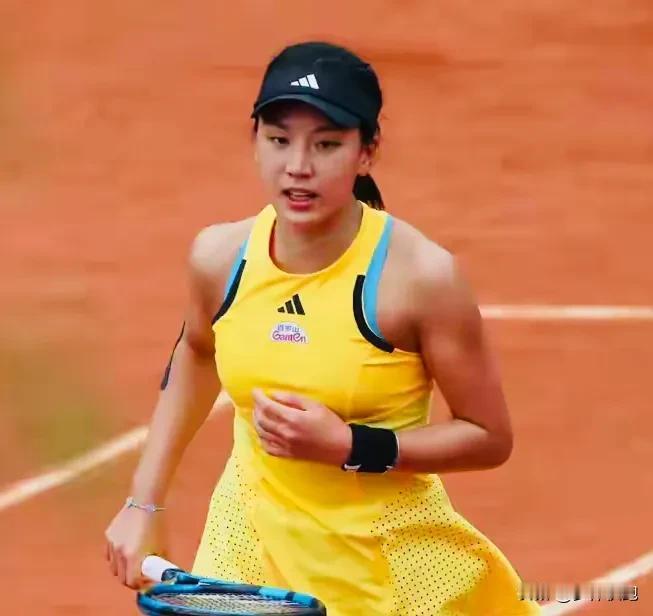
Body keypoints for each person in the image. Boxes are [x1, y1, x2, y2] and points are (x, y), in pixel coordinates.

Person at [105, 41, 540, 615]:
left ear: (367, 152)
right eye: (279, 140)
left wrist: (351, 446)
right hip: (245, 556)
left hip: (379, 572)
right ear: (255, 139)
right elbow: (198, 351)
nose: (298, 166)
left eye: (327, 144)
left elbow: (488, 436)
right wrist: (143, 504)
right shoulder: (220, 258)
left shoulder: (419, 279)